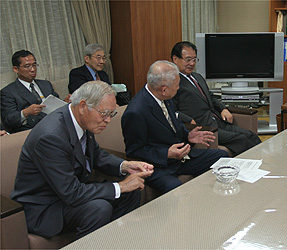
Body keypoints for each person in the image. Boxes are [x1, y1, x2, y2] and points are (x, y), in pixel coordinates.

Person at [10, 81, 154, 240]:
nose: (108, 120)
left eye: (111, 114)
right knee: (99, 208)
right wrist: (120, 186)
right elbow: (71, 192)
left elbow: (96, 154)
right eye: (104, 113)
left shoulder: (79, 120)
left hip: (69, 193)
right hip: (46, 206)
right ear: (83, 106)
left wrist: (125, 166)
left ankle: (115, 239)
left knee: (131, 192)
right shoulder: (50, 137)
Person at [121, 60, 228, 194]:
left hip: (180, 158)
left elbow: (174, 125)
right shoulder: (136, 112)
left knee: (222, 156)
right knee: (175, 187)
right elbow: (134, 151)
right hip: (158, 166)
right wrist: (167, 153)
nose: (178, 89)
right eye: (177, 86)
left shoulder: (164, 97)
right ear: (164, 89)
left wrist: (188, 136)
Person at [170, 41, 261, 156]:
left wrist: (223, 109)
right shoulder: (173, 82)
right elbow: (171, 109)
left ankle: (265, 161)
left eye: (194, 59)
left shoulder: (197, 76)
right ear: (175, 59)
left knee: (250, 135)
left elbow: (210, 97)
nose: (192, 63)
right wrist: (188, 120)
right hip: (205, 127)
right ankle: (252, 166)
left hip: (218, 121)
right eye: (188, 59)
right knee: (241, 139)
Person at [1, 50, 60, 133]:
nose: (33, 69)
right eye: (27, 66)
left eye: (34, 65)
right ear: (16, 69)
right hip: (32, 131)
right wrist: (25, 113)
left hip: (55, 125)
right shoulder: (8, 92)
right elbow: (9, 121)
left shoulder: (46, 85)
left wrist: (66, 102)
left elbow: (57, 105)